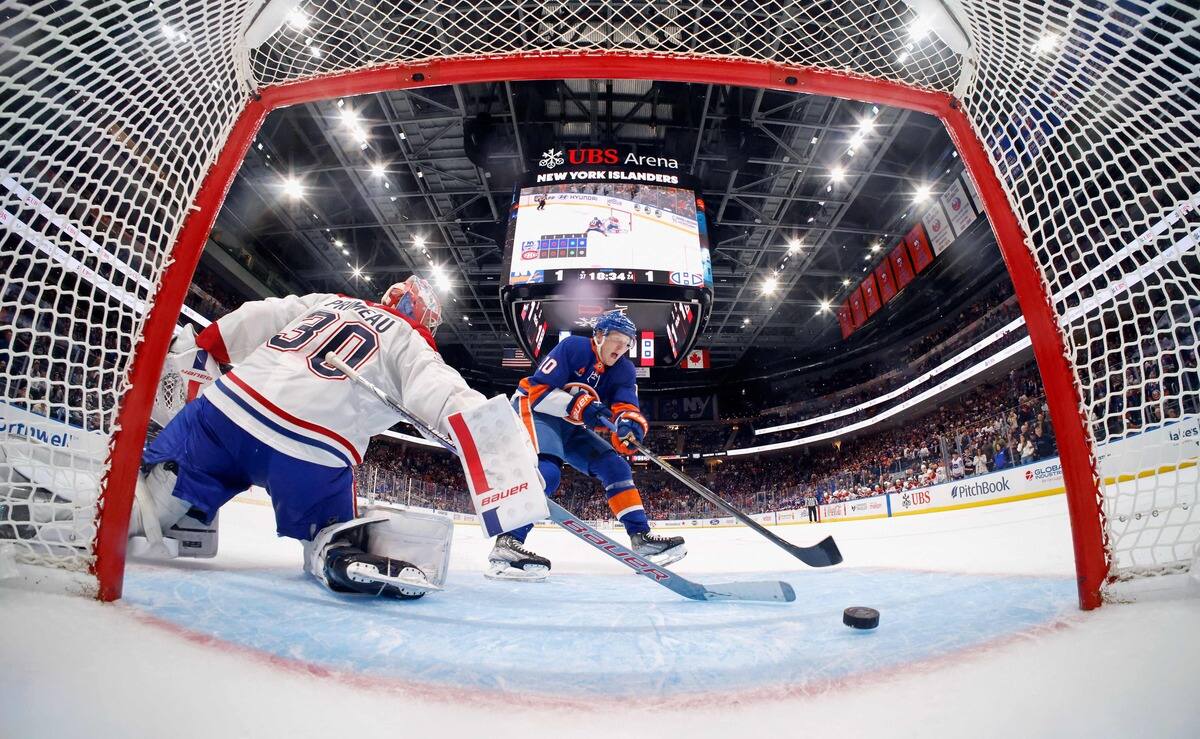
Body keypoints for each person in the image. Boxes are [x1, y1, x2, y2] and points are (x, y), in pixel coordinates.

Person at [129, 275, 505, 600]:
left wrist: (213, 341)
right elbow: (443, 393)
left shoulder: (330, 302)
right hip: (309, 447)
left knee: (159, 496)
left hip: (227, 410)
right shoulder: (412, 340)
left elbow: (259, 315)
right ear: (424, 319)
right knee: (328, 530)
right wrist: (499, 448)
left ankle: (145, 510)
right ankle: (335, 550)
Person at [489, 310, 684, 581]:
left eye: (628, 343)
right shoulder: (573, 348)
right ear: (600, 336)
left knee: (616, 468)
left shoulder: (625, 369)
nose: (622, 348)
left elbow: (627, 406)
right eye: (618, 339)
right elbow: (538, 392)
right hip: (534, 410)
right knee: (548, 471)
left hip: (570, 423)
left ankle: (641, 538)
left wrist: (630, 427)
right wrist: (580, 406)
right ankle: (507, 544)